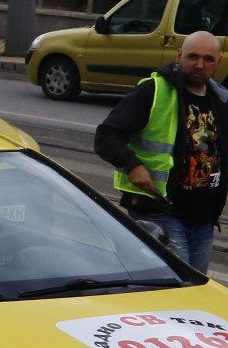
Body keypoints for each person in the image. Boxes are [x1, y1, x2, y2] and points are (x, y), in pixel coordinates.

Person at [95, 31, 228, 272]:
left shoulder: (220, 98)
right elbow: (106, 135)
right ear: (179, 56)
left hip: (203, 219)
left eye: (208, 59)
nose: (200, 65)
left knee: (194, 291)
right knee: (178, 285)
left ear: (219, 61)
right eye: (193, 57)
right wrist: (132, 164)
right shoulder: (154, 90)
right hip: (160, 211)